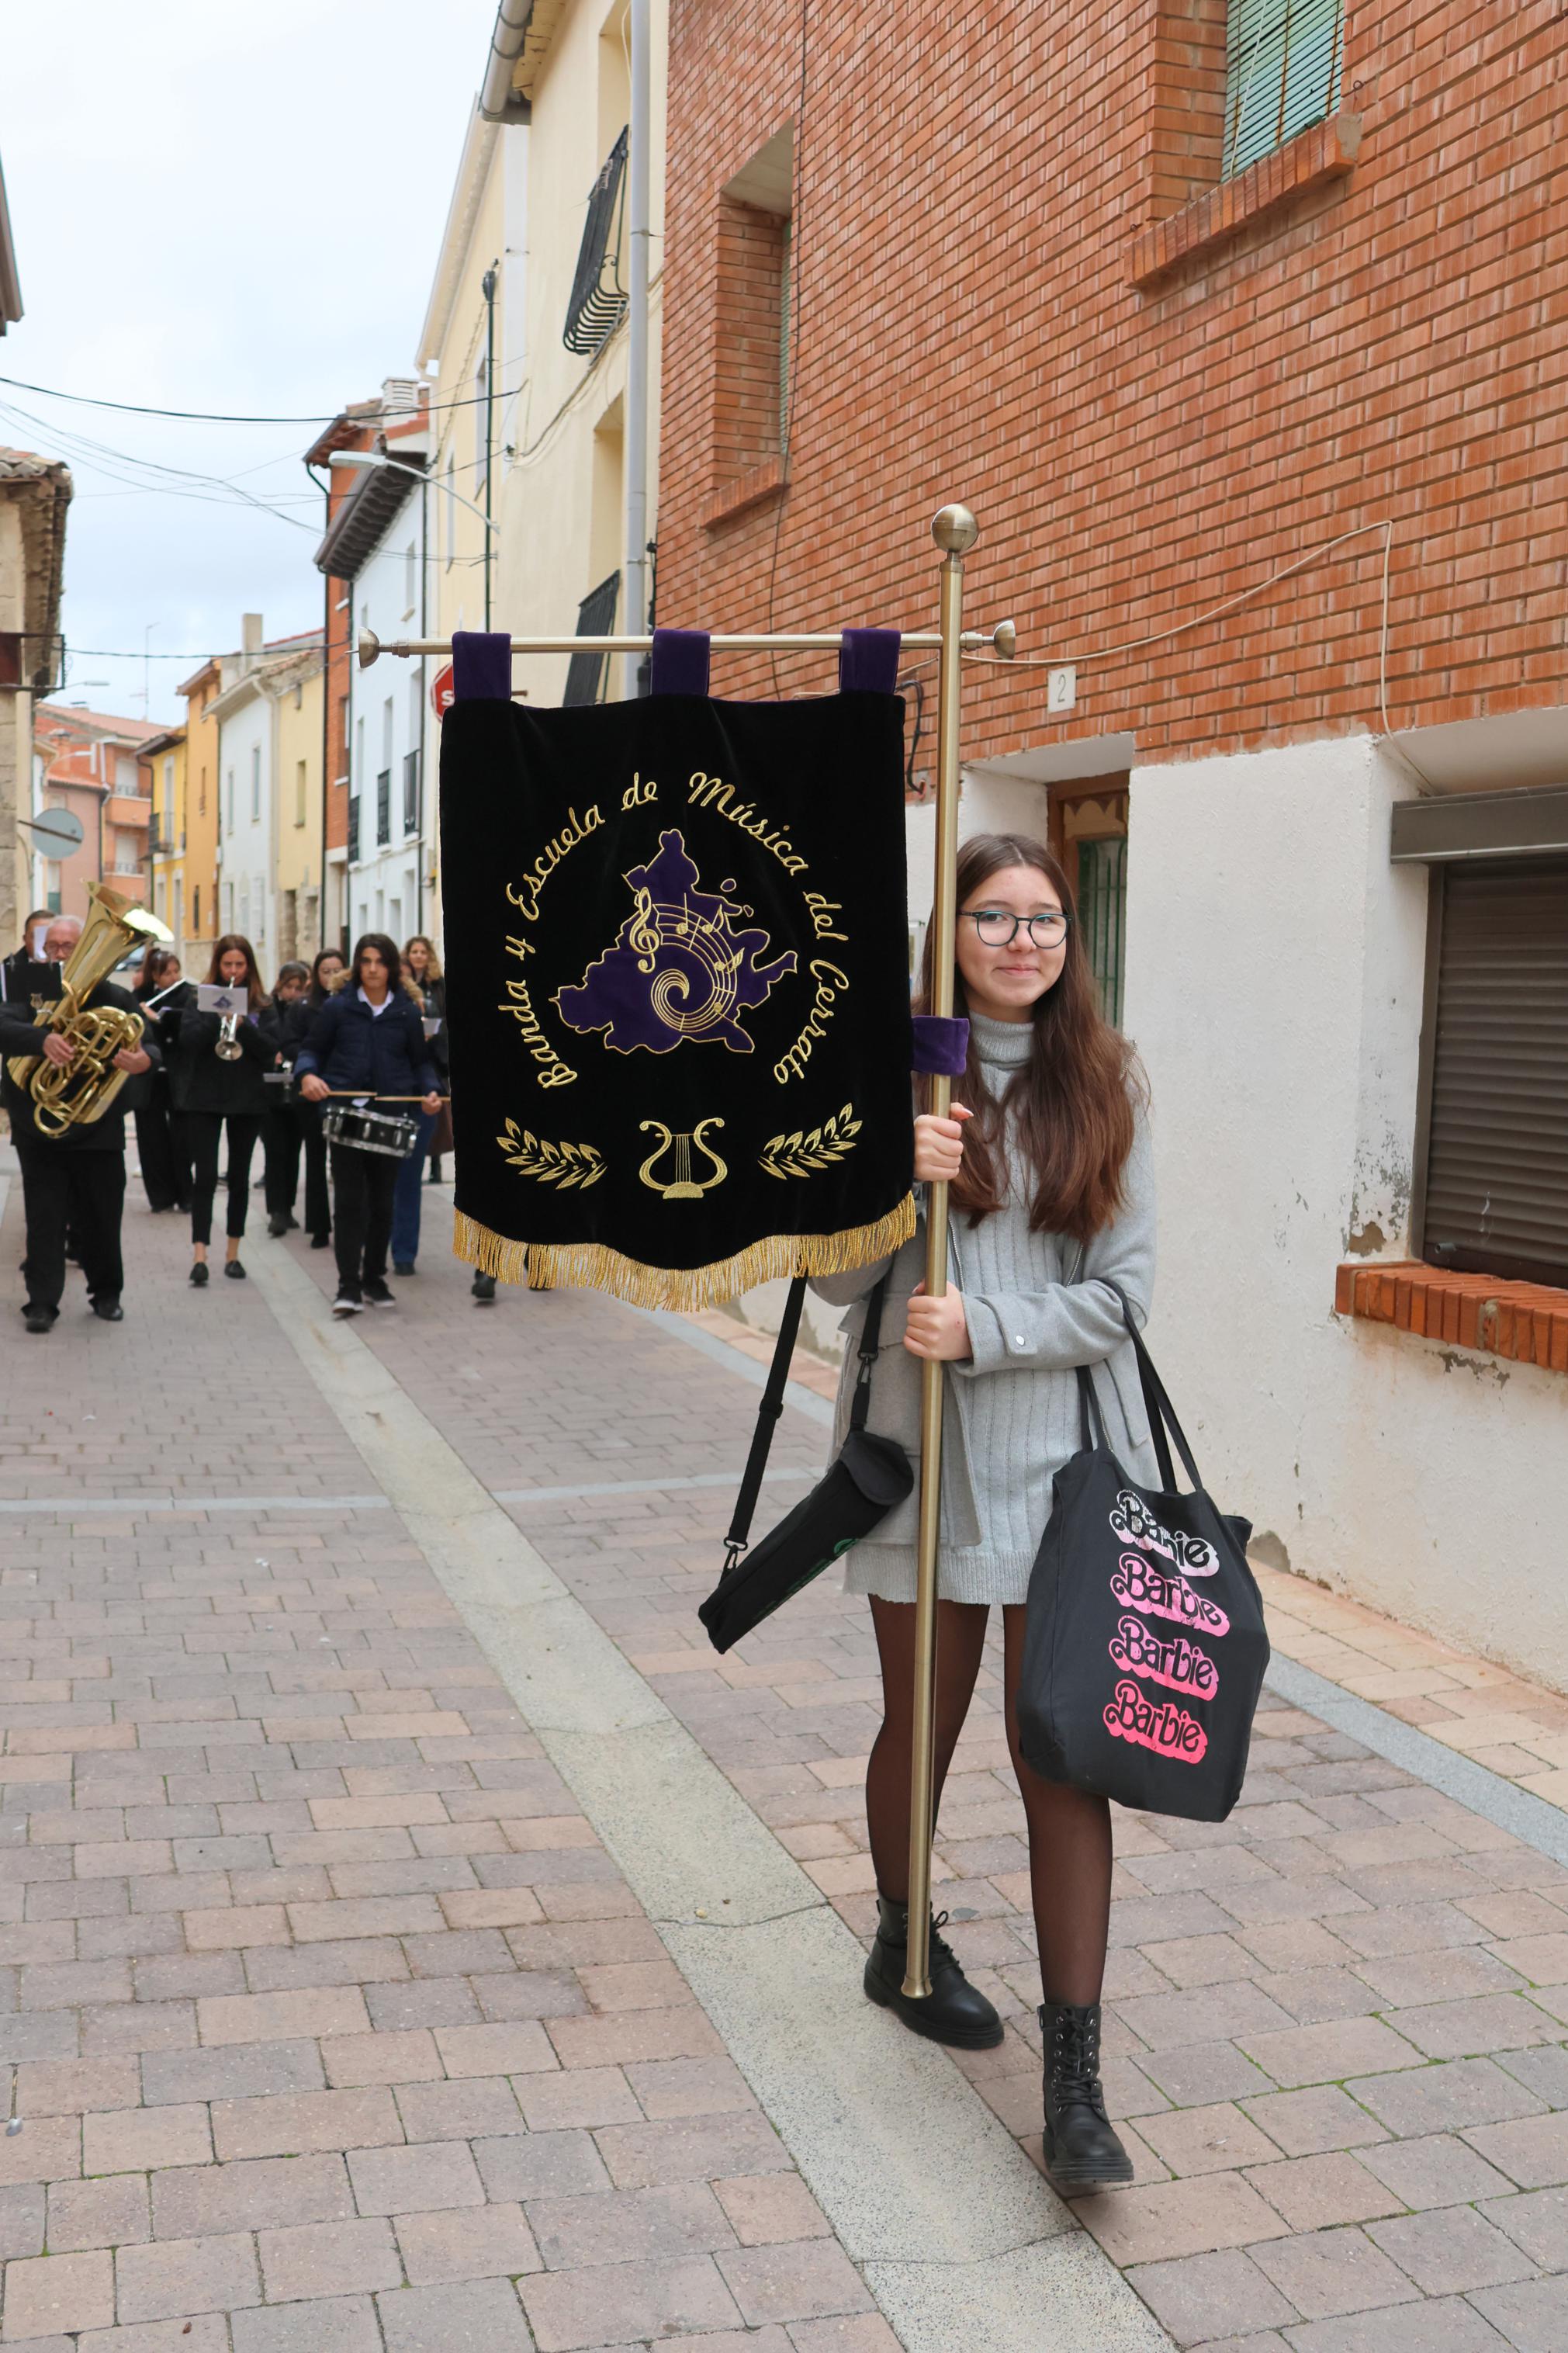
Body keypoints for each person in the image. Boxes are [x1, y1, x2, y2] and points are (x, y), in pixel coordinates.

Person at [811, 832, 1157, 2195]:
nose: (1023, 941)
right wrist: (897, 1175)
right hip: (918, 1456)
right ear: (949, 932)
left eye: (1046, 920)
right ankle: (905, 1941)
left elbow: (1123, 1296)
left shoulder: (1107, 1082)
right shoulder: (888, 1073)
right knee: (925, 1722)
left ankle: (1074, 2081)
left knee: (1057, 1752)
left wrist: (989, 1324)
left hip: (1058, 1472)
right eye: (995, 918)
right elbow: (834, 1285)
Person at [0, 912, 157, 1331]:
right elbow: (2, 1025)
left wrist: (143, 1061)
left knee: (102, 1218)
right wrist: (42, 1038)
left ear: (86, 945)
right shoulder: (29, 987)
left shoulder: (114, 996)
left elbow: (151, 1048)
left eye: (68, 946)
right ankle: (42, 1303)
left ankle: (106, 1295)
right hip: (40, 1126)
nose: (60, 954)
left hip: (97, 1128)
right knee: (44, 1220)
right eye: (51, 947)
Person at [295, 934, 440, 1317]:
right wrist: (308, 1076)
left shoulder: (407, 1012)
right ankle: (348, 1286)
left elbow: (421, 1062)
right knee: (348, 1203)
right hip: (346, 1116)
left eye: (380, 962)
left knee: (382, 1204)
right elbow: (311, 1050)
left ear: (391, 967)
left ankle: (375, 1276)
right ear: (357, 965)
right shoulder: (337, 1009)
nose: (372, 969)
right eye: (366, 961)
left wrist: (430, 1091)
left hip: (391, 1118)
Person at [160, 935, 273, 1285]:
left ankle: (233, 1254)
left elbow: (272, 1050)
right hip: (204, 1098)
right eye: (228, 965)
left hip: (247, 1099)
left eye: (240, 965)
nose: (234, 972)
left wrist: (244, 1026)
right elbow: (187, 1042)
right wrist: (216, 1017)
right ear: (217, 966)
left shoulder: (262, 1004)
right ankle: (200, 1255)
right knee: (205, 1176)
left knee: (238, 1178)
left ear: (249, 967)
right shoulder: (199, 999)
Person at [390, 934, 448, 1277]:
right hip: (384, 1100)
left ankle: (403, 1252)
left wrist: (431, 1042)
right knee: (380, 1182)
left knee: (409, 1180)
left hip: (419, 1097)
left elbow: (436, 1057)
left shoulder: (425, 1004)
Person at [130, 944, 190, 1214]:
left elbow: (188, 1032)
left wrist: (160, 1020)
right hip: (150, 1077)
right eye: (168, 973)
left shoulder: (187, 997)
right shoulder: (140, 996)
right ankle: (160, 1195)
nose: (174, 978)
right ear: (155, 976)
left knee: (181, 1138)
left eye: (177, 971)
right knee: (151, 1136)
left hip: (177, 1075)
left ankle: (185, 1193)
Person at [257, 961, 313, 1237]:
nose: (293, 993)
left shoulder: (306, 1011)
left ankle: (287, 1208)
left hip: (297, 1091)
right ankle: (276, 1211)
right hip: (271, 1091)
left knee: (293, 1152)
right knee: (275, 1152)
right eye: (289, 987)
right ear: (279, 984)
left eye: (299, 988)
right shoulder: (269, 1008)